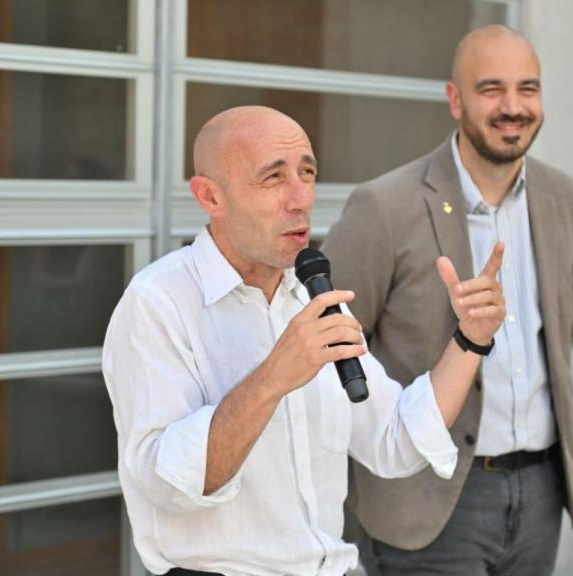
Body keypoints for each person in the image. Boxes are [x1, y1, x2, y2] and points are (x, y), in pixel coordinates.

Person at [102, 106, 507, 576]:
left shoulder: (311, 295)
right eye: (273, 179)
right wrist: (275, 376)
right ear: (211, 196)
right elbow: (168, 486)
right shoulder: (158, 302)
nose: (300, 199)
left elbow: (394, 440)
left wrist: (470, 340)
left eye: (307, 173)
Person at [322, 25, 573, 575]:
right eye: (491, 89)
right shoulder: (385, 206)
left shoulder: (566, 198)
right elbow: (331, 346)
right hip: (425, 496)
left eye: (528, 88)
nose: (513, 107)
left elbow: (570, 319)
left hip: (542, 490)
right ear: (455, 99)